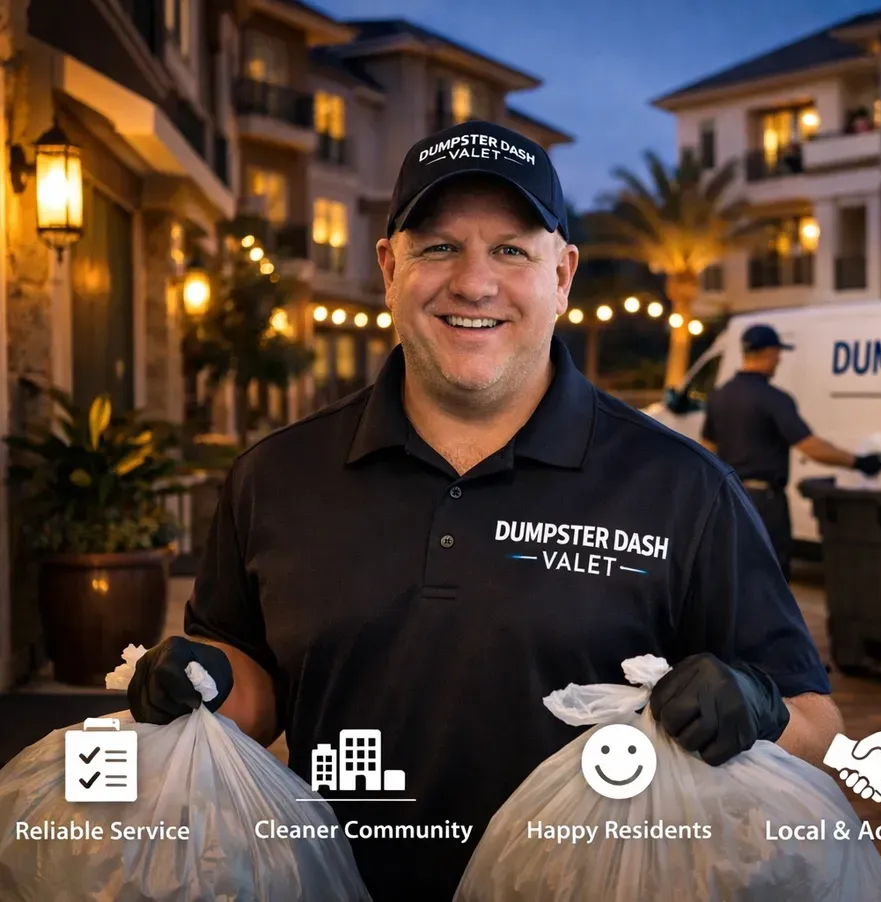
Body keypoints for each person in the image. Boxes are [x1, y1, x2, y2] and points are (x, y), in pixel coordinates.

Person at [126, 121, 843, 900]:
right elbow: (254, 682)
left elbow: (818, 723)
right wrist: (202, 682)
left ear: (562, 276)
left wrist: (756, 708)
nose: (473, 283)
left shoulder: (683, 487)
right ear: (389, 268)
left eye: (510, 250)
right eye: (439, 247)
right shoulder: (276, 476)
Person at [700, 324, 881, 575]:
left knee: (732, 572)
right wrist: (858, 462)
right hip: (763, 503)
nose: (779, 360)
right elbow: (810, 446)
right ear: (768, 353)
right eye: (777, 353)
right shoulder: (774, 399)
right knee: (770, 575)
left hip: (729, 498)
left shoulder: (719, 396)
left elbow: (706, 448)